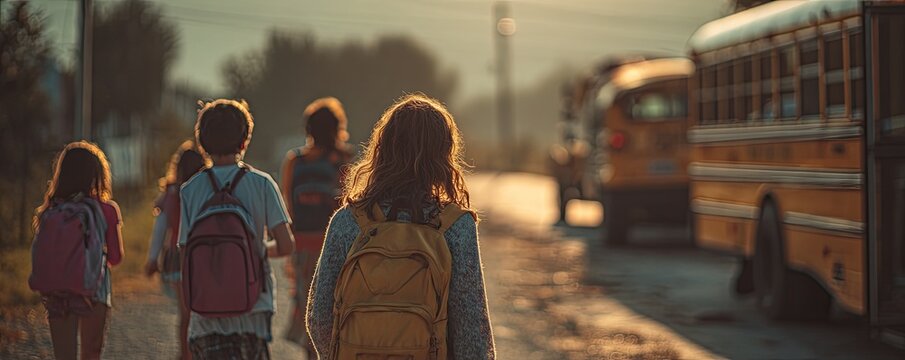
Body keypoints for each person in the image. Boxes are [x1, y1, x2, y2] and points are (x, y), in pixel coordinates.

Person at [306, 94, 496, 359]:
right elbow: (472, 331)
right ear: (442, 154)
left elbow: (319, 318)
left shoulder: (348, 221)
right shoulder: (455, 226)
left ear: (382, 149)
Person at [177, 99, 295, 359]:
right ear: (244, 141)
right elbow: (286, 245)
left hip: (205, 311)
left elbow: (185, 252)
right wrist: (259, 250)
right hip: (252, 307)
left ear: (203, 143)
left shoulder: (189, 190)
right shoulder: (262, 184)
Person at [33, 141, 124, 360]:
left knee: (64, 355)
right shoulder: (107, 210)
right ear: (97, 174)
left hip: (57, 290)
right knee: (90, 353)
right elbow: (115, 257)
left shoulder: (51, 210)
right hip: (94, 288)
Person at [280, 97, 352, 354]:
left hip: (303, 248)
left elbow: (288, 208)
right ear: (338, 128)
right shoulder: (345, 159)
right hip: (340, 249)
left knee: (309, 309)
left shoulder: (294, 161)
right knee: (340, 310)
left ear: (308, 129)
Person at [144, 140, 205, 360]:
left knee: (186, 312)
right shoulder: (206, 191)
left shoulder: (171, 194)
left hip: (177, 257)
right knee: (196, 311)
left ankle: (185, 354)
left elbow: (160, 229)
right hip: (200, 257)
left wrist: (152, 259)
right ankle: (191, 353)